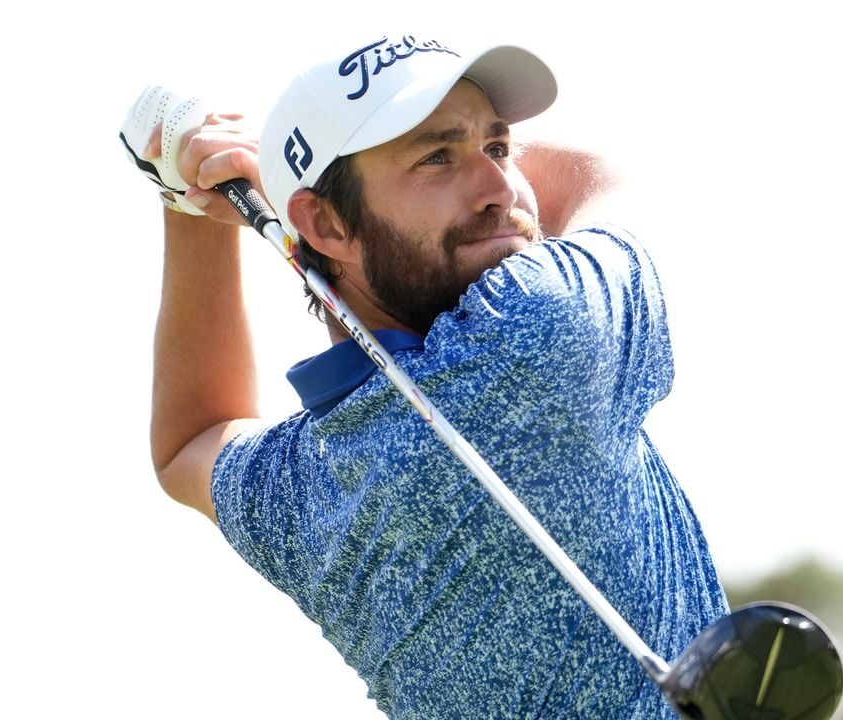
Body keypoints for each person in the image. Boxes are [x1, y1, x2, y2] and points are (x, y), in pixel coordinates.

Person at [124, 32, 729, 719]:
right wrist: (269, 169)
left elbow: (191, 438)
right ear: (321, 223)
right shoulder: (542, 326)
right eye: (438, 158)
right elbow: (601, 176)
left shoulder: (310, 487)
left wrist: (192, 205)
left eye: (499, 149)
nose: (501, 189)